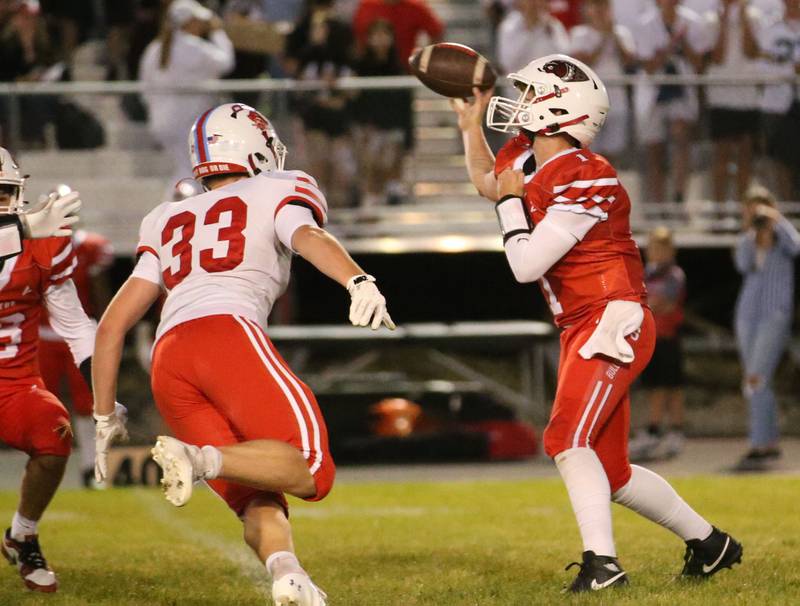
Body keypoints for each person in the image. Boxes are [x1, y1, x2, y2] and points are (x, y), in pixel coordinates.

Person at [451, 54, 741, 591]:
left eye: (531, 95)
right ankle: (711, 544)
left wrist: (512, 205)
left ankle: (602, 567)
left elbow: (525, 264)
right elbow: (490, 184)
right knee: (611, 473)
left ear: (560, 111)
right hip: (582, 324)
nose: (519, 105)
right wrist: (470, 130)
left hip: (613, 317)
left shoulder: (589, 173)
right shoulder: (526, 156)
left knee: (565, 438)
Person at [92, 103, 395, 606]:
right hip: (225, 334)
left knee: (255, 488)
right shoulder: (277, 187)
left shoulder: (165, 217)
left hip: (169, 359)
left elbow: (112, 326)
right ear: (254, 148)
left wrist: (104, 414)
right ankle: (198, 458)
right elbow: (307, 235)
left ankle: (288, 576)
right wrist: (357, 279)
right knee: (311, 468)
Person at [0, 147, 98, 593]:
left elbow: (75, 325)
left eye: (3, 193)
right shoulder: (27, 230)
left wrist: (103, 384)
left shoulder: (43, 245)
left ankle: (23, 533)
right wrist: (18, 229)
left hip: (14, 383)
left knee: (55, 431)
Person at [38, 185, 115, 488]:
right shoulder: (35, 244)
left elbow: (100, 293)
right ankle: (46, 468)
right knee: (44, 406)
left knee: (89, 405)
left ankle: (93, 467)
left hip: (80, 337)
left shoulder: (90, 246)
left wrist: (109, 329)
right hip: (43, 335)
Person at [733, 185, 800, 471]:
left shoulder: (782, 236)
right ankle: (768, 441)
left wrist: (776, 221)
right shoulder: (747, 239)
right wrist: (754, 232)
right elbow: (742, 264)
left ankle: (759, 443)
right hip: (748, 313)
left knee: (756, 378)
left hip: (774, 313)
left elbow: (796, 247)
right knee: (757, 380)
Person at [139, 0, 234, 195]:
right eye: (198, 21)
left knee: (184, 169)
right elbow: (226, 62)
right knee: (189, 172)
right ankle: (175, 213)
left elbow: (144, 88)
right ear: (189, 22)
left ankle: (177, 211)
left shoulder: (154, 48)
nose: (202, 26)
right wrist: (217, 32)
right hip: (186, 120)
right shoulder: (192, 46)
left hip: (161, 120)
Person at [633, 0, 713, 203]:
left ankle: (679, 197)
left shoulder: (692, 22)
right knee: (655, 150)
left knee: (681, 137)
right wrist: (670, 46)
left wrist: (682, 42)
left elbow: (698, 64)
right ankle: (657, 204)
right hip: (654, 92)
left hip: (681, 89)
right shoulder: (645, 24)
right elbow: (649, 66)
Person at [284, 0, 356, 208]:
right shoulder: (304, 45)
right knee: (317, 158)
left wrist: (337, 95)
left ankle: (340, 204)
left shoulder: (343, 46)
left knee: (339, 162)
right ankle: (320, 201)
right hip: (313, 113)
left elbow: (350, 79)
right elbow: (296, 76)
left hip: (338, 115)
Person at [629, 227, 687, 461]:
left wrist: (646, 307)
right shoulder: (646, 274)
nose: (657, 253)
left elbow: (666, 303)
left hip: (668, 338)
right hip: (650, 338)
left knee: (671, 387)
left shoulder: (674, 274)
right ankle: (657, 429)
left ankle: (670, 429)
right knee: (654, 386)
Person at [352, 19, 412, 207]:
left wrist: (407, 135)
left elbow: (404, 104)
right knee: (371, 166)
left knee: (389, 163)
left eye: (385, 35)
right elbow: (357, 100)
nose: (380, 40)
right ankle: (370, 204)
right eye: (376, 35)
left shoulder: (399, 68)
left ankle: (388, 200)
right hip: (369, 127)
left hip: (392, 126)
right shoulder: (360, 67)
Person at [707, 0, 763, 203]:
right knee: (722, 155)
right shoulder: (711, 19)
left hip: (747, 97)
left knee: (745, 156)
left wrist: (743, 18)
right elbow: (717, 56)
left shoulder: (754, 17)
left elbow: (751, 51)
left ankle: (743, 212)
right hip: (721, 96)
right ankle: (719, 211)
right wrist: (723, 24)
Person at [570, 0, 636, 161]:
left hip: (616, 100)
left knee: (612, 154)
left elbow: (629, 61)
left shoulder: (621, 33)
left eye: (603, 5)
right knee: (589, 153)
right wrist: (604, 39)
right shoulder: (579, 34)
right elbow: (584, 62)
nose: (599, 10)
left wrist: (613, 35)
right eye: (595, 5)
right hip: (588, 102)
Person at [758, 0, 800, 201]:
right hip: (777, 104)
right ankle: (786, 210)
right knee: (778, 159)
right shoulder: (770, 28)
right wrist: (791, 70)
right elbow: (761, 67)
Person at [352, 0, 443, 66]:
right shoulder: (367, 6)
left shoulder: (415, 7)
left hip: (405, 68)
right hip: (369, 68)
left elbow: (436, 32)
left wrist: (424, 60)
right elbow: (358, 39)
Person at [496, 0, 570, 74]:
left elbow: (565, 57)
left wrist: (550, 33)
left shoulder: (553, 25)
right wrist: (529, 31)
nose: (534, 4)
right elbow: (507, 63)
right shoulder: (510, 26)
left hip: (548, 80)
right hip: (518, 81)